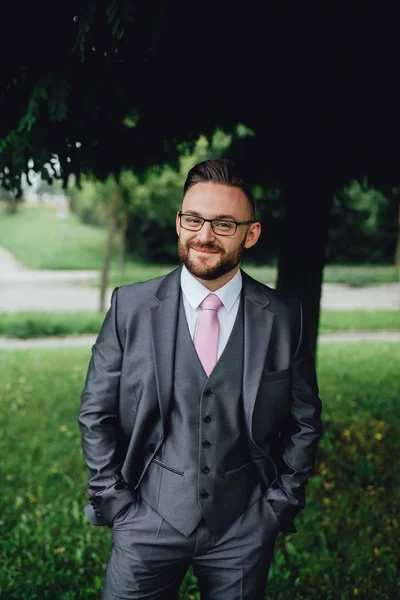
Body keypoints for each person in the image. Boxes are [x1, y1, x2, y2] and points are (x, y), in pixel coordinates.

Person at [78, 158, 323, 600]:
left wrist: (278, 506)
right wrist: (115, 502)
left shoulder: (285, 317)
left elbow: (305, 421)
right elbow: (95, 412)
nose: (204, 235)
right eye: (193, 219)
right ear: (178, 222)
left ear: (251, 233)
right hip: (145, 519)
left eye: (224, 224)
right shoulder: (131, 307)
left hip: (244, 526)